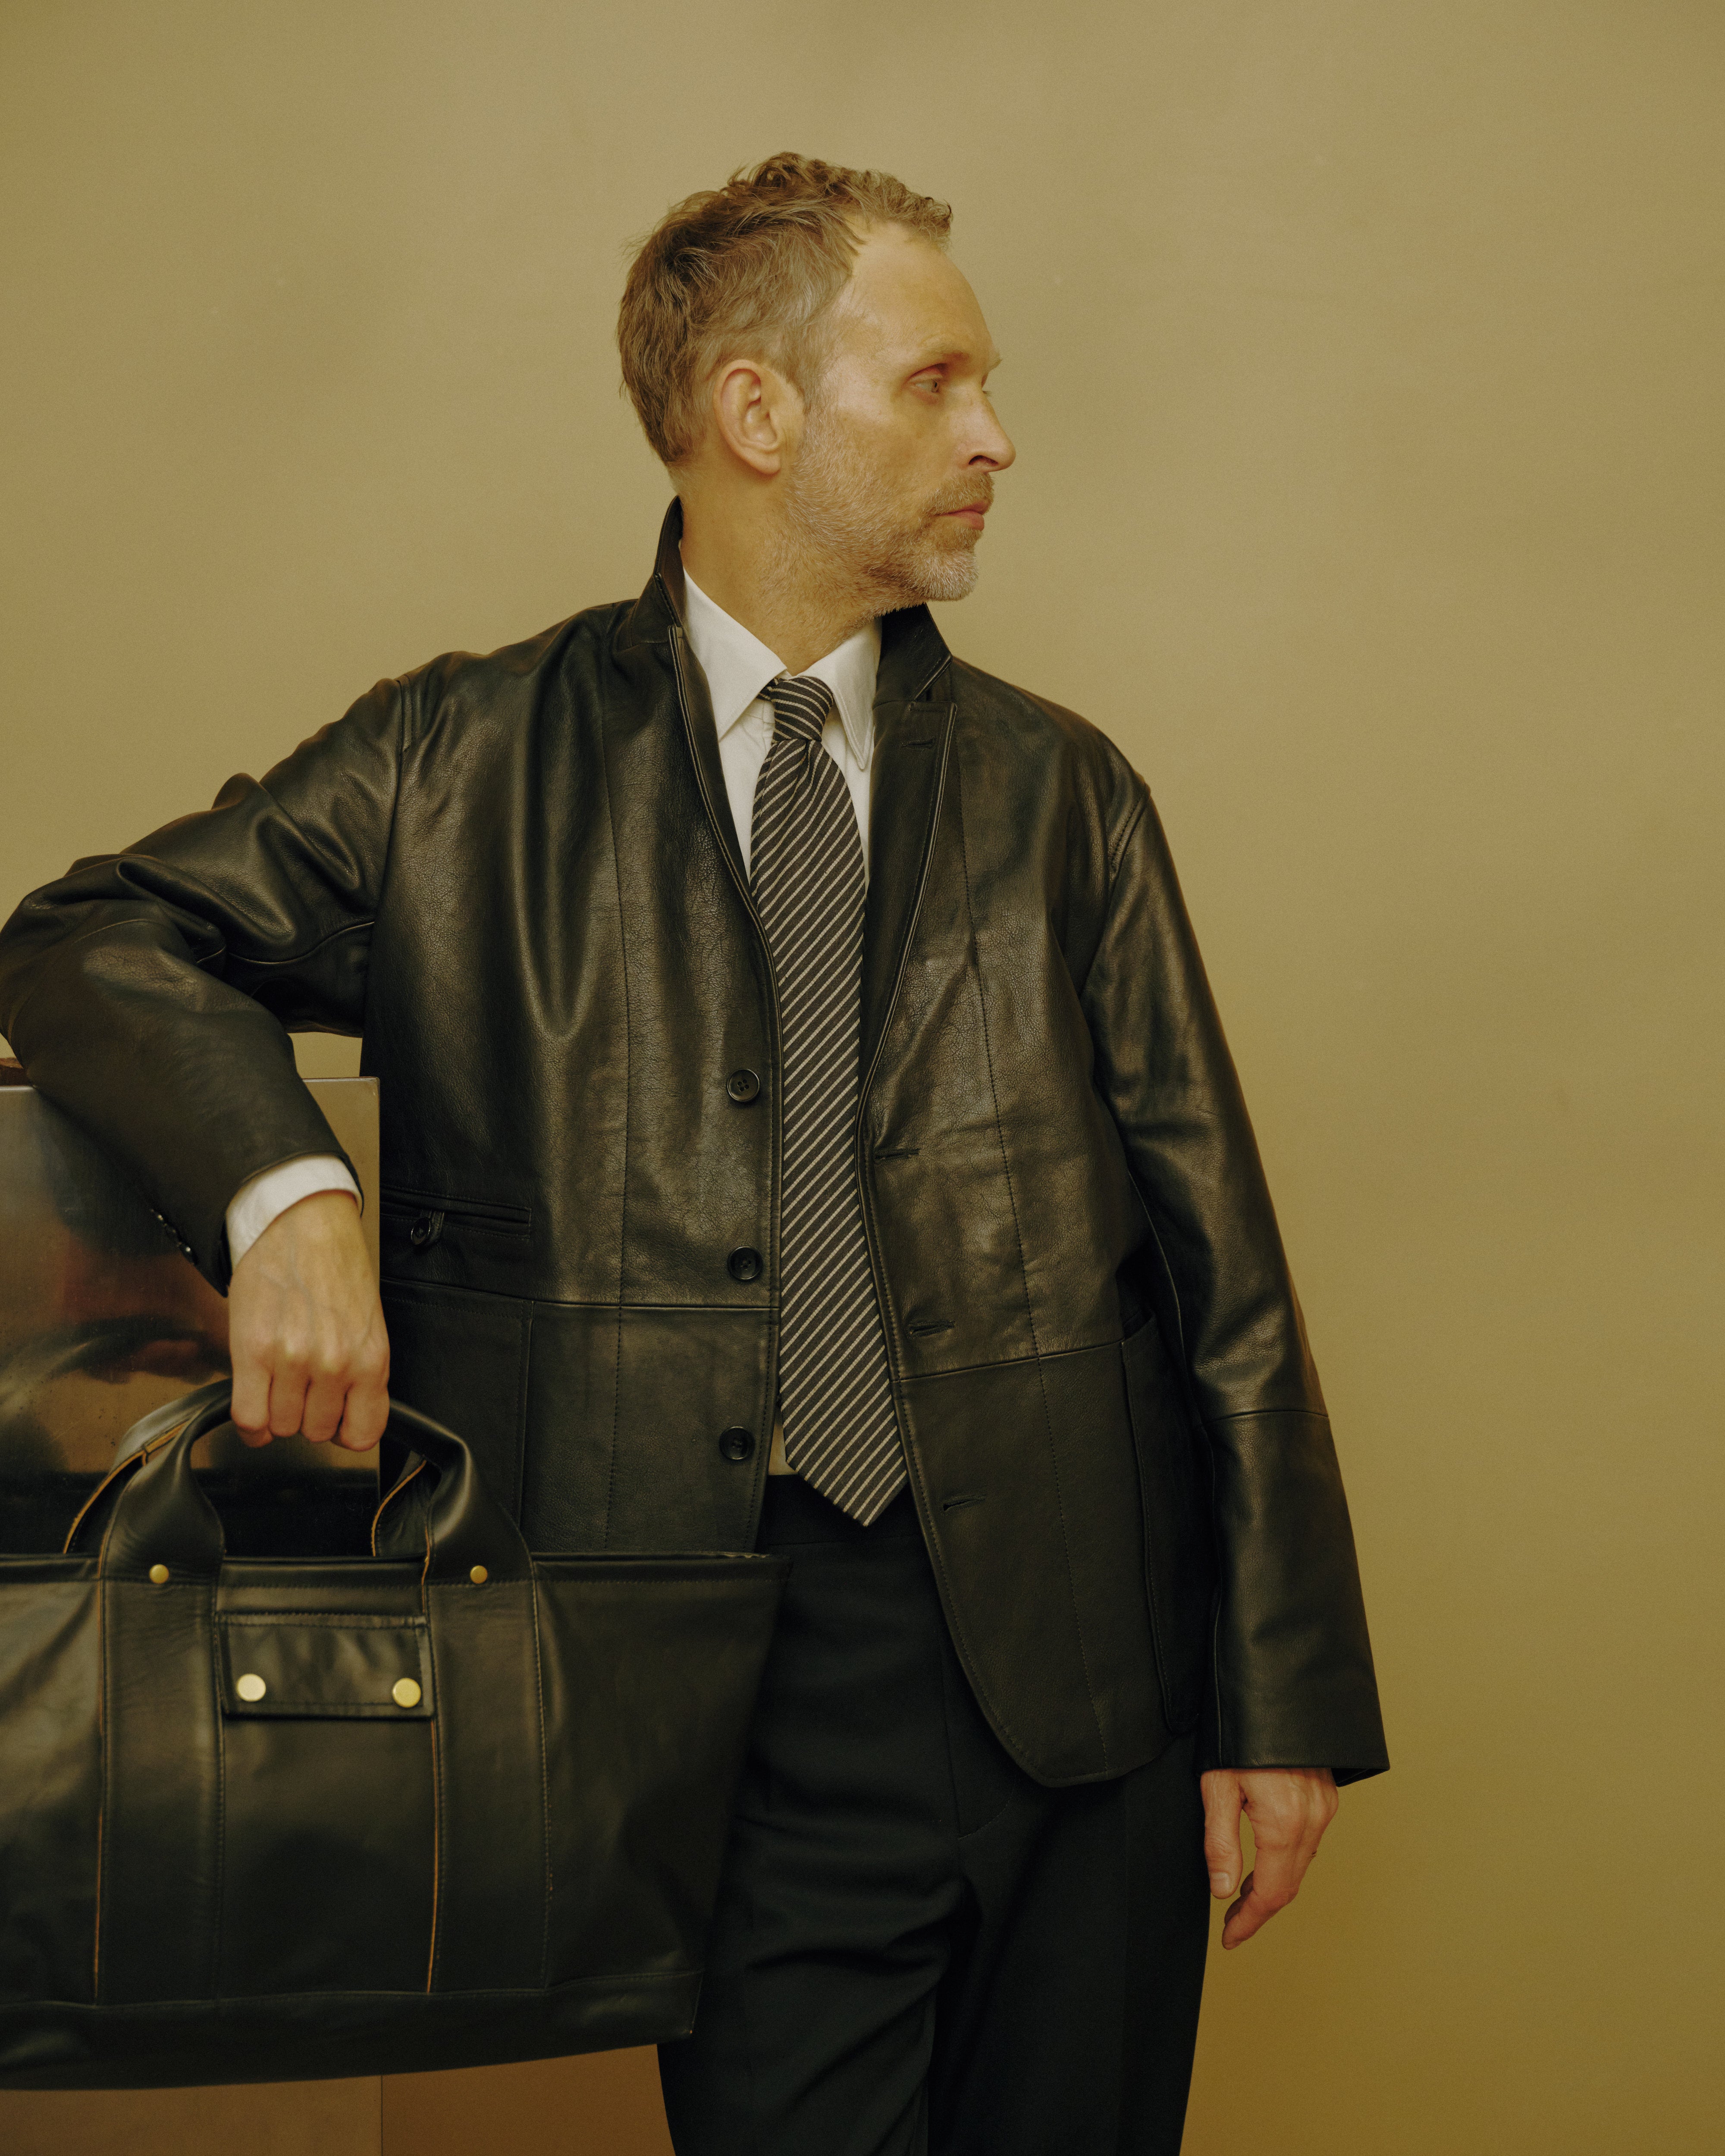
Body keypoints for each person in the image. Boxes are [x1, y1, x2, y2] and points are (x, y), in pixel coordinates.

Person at [0, 153, 1387, 2153]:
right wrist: (289, 1195)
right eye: (936, 381)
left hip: (1087, 1687)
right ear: (756, 411)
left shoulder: (1064, 794)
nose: (995, 437)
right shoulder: (456, 766)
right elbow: (85, 936)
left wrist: (1278, 1705)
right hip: (700, 1696)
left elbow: (1219, 1272)